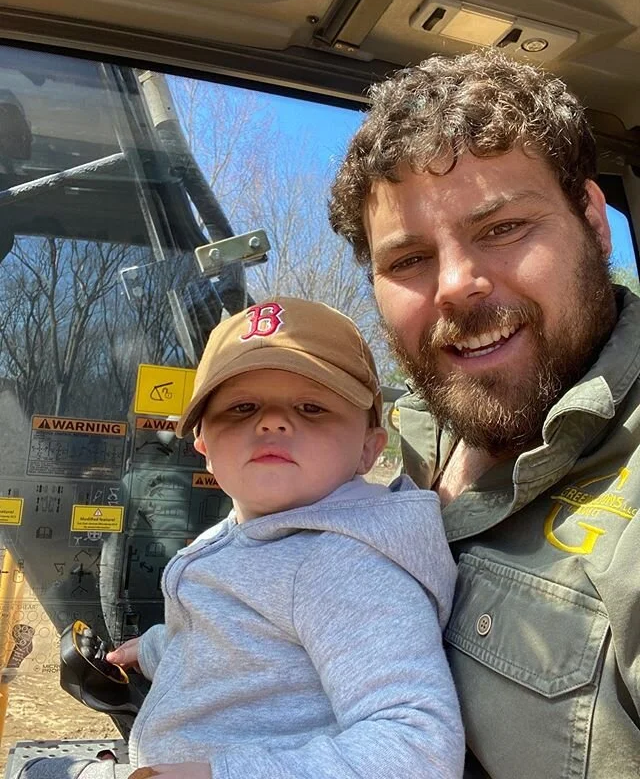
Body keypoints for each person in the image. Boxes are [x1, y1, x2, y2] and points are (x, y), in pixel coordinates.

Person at [328, 48, 640, 778]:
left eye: (502, 229)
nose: (457, 287)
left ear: (592, 219)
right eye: (408, 261)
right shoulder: (372, 452)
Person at [20, 297, 463, 779]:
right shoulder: (254, 532)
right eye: (242, 406)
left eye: (312, 406)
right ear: (205, 448)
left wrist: (217, 774)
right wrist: (155, 649)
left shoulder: (345, 565)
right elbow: (249, 643)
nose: (271, 421)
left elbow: (416, 749)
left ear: (367, 448)